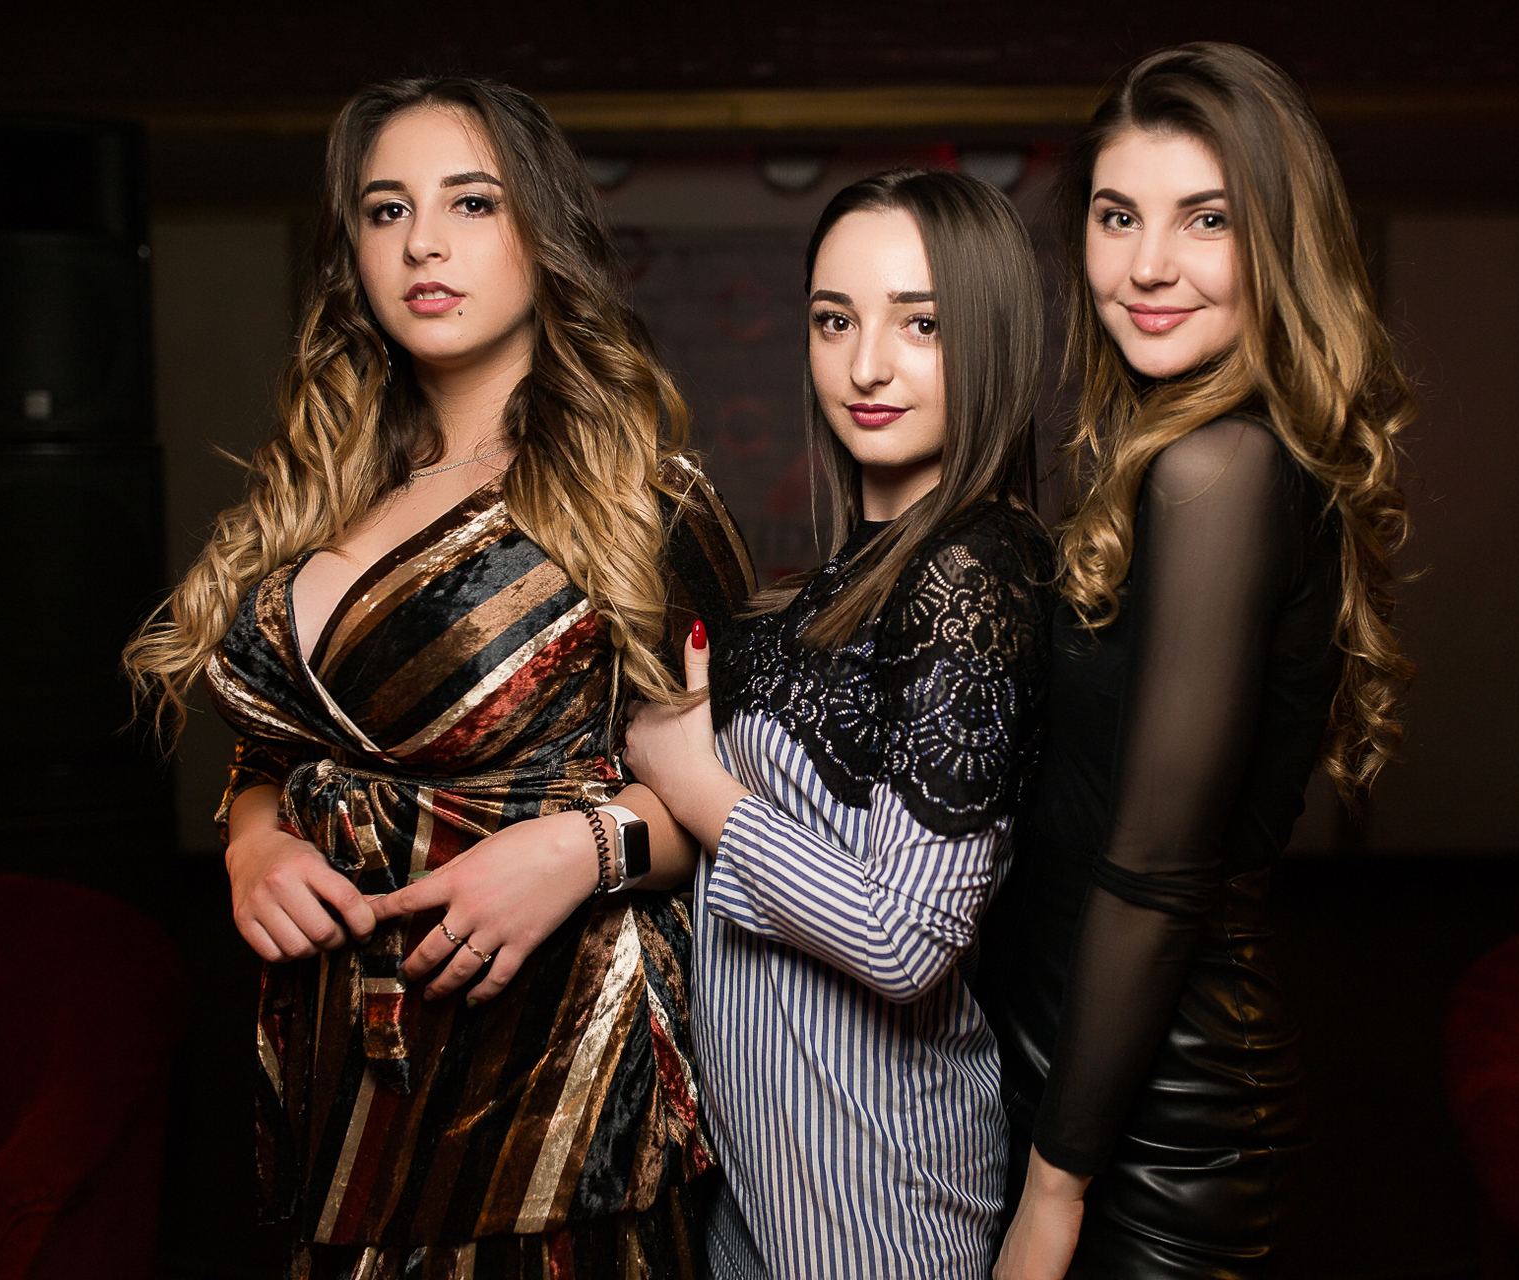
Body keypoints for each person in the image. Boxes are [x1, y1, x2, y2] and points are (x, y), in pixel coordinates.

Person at [124, 76, 754, 1278]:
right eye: (386, 208)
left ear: (543, 231)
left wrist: (583, 847)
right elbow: (279, 751)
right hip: (338, 1095)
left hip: (555, 1110)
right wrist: (252, 844)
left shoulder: (642, 500)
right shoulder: (319, 487)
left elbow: (733, 801)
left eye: (472, 202)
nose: (422, 242)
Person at [981, 43, 1416, 1279]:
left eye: (1206, 219)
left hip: (1154, 1119)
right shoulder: (1189, 457)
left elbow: (1160, 870)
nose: (1148, 265)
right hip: (1081, 1072)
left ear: (1279, 241)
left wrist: (1054, 1191)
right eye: (1118, 216)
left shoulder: (1218, 467)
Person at [624, 168, 1054, 1280]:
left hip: (873, 1172)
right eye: (834, 320)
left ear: (993, 340)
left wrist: (695, 781)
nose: (866, 365)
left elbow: (906, 938)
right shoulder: (843, 579)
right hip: (758, 1161)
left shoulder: (972, 571)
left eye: (922, 324)